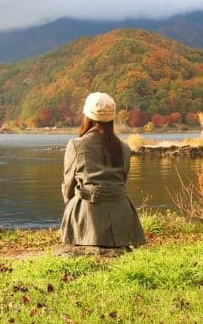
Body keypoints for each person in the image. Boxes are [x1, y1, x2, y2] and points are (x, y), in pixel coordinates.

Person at [59, 92, 146, 254]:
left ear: (87, 117)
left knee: (71, 195)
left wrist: (70, 207)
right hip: (123, 219)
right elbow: (121, 181)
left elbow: (69, 188)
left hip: (88, 220)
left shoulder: (76, 145)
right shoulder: (124, 148)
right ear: (111, 118)